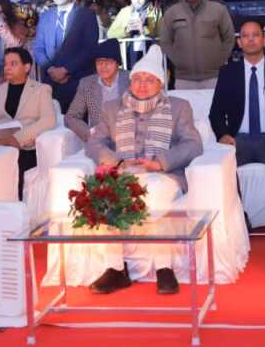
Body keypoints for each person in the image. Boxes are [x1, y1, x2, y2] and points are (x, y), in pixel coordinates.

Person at [85, 45, 203, 295]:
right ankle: (116, 269)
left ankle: (164, 267)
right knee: (106, 192)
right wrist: (115, 161)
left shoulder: (179, 106)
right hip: (124, 171)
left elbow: (193, 144)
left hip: (162, 174)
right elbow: (95, 143)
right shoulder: (112, 108)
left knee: (154, 190)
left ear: (161, 83)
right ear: (130, 81)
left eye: (149, 80)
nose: (142, 85)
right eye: (137, 78)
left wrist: (160, 162)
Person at [210, 20, 265, 192]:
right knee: (221, 161)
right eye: (245, 36)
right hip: (238, 139)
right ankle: (237, 210)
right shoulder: (228, 73)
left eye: (256, 35)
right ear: (239, 42)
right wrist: (223, 135)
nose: (251, 39)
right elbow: (216, 112)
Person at [0, 48, 56, 199]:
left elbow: (48, 120)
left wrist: (17, 138)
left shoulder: (41, 90)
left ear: (27, 67)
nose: (7, 68)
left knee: (20, 167)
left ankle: (20, 207)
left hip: (26, 146)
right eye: (5, 64)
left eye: (13, 64)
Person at [158, 0, 234, 90]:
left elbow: (229, 38)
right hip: (183, 79)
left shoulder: (218, 9)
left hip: (214, 77)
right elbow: (165, 41)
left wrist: (219, 61)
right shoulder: (172, 12)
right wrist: (178, 61)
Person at [33, 0, 100, 113]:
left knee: (78, 122)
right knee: (53, 124)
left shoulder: (86, 15)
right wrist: (50, 69)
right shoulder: (45, 17)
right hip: (51, 83)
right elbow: (38, 48)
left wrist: (66, 70)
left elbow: (89, 48)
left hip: (78, 81)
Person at [65, 39, 130, 142]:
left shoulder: (132, 80)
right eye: (99, 62)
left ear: (117, 64)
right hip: (100, 141)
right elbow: (71, 117)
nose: (103, 66)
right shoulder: (87, 84)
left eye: (108, 62)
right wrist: (90, 133)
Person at [107, 0, 160, 68]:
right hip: (129, 57)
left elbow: (160, 32)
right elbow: (110, 34)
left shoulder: (154, 11)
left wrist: (143, 29)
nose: (137, 0)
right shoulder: (124, 11)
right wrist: (126, 30)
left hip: (150, 56)